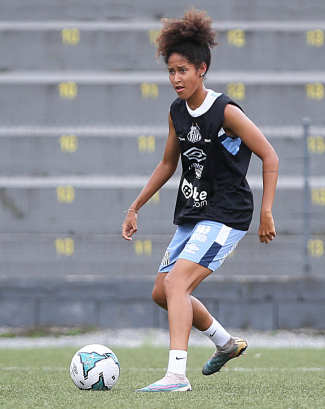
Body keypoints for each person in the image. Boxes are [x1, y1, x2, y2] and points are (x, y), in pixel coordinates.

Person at [122, 8, 278, 392]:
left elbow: (270, 156)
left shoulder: (224, 111)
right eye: (171, 71)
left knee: (177, 284)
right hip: (193, 213)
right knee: (163, 291)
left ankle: (177, 376)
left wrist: (267, 212)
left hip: (226, 213)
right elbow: (167, 163)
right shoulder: (177, 112)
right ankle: (225, 343)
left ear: (201, 69)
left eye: (183, 70)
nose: (176, 78)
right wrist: (135, 206)